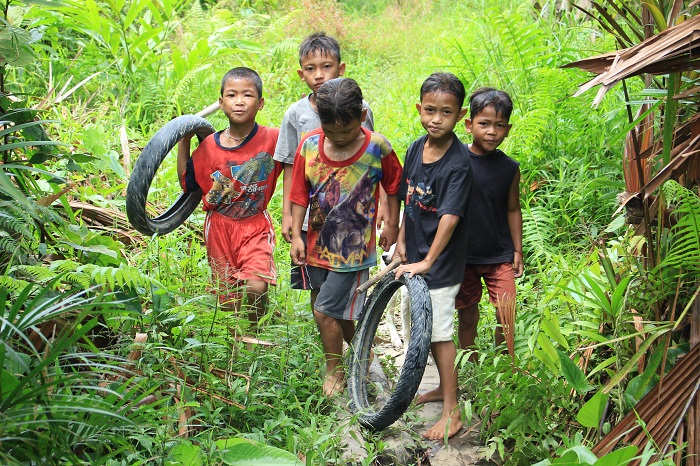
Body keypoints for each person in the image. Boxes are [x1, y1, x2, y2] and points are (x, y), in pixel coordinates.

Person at [289, 77, 401, 396]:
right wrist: (296, 234)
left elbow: (395, 187)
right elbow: (298, 193)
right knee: (335, 310)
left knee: (324, 311)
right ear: (319, 120)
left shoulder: (377, 148)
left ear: (362, 116)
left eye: (347, 131)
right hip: (315, 246)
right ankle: (366, 354)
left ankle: (334, 370)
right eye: (331, 131)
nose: (338, 138)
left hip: (353, 251)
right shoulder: (309, 145)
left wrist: (391, 225)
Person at [393, 72, 473, 440]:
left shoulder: (458, 163)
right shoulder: (415, 148)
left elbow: (450, 217)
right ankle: (442, 387)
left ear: (460, 116)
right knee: (419, 326)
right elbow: (408, 199)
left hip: (440, 263)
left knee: (439, 334)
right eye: (430, 110)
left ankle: (452, 412)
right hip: (416, 255)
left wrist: (428, 261)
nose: (436, 119)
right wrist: (402, 241)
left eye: (446, 112)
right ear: (419, 108)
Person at [273, 32, 378, 306]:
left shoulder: (360, 109)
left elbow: (371, 162)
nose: (319, 75)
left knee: (347, 289)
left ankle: (353, 331)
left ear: (341, 68)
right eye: (310, 69)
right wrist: (288, 216)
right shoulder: (296, 115)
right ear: (301, 74)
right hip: (310, 219)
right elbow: (290, 169)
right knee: (316, 288)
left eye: (326, 66)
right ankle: (326, 331)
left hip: (351, 218)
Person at [177, 67, 282, 326]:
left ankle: (254, 332)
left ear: (260, 103)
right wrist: (183, 141)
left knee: (257, 285)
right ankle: (236, 339)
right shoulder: (208, 147)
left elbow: (299, 157)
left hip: (255, 224)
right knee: (228, 300)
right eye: (232, 95)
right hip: (219, 228)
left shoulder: (273, 139)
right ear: (221, 102)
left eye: (247, 95)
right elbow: (187, 183)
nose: (239, 101)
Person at [456, 87, 523, 358]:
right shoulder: (456, 160)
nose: (492, 132)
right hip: (464, 255)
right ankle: (470, 363)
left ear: (508, 129)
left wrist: (517, 250)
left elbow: (513, 209)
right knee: (467, 314)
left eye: (499, 125)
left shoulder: (510, 168)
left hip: (499, 256)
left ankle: (504, 366)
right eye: (484, 124)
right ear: (469, 124)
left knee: (506, 312)